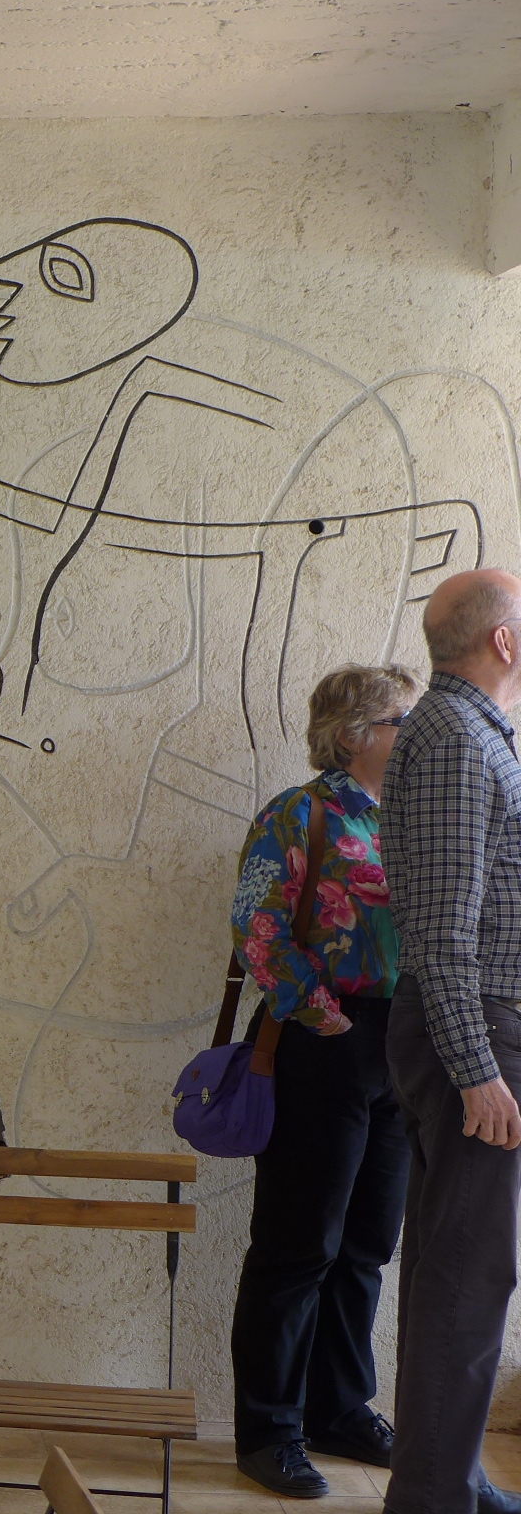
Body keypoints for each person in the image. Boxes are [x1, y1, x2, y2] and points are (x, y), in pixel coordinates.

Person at [227, 664, 420, 1497]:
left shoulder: (409, 819)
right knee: (298, 1243)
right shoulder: (299, 814)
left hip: (402, 1047)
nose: (415, 732)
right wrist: (326, 1018)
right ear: (354, 734)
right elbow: (257, 929)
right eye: (403, 719)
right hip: (323, 1039)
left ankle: (339, 1408)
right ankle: (269, 1428)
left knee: (368, 1244)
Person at [382, 567, 521, 1514]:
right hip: (474, 1037)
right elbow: (439, 929)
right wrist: (477, 1070)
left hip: (475, 1031)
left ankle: (450, 1479)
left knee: (452, 1267)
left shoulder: (470, 734)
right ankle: (433, 1500)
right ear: (503, 641)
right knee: (468, 1278)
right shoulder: (454, 741)